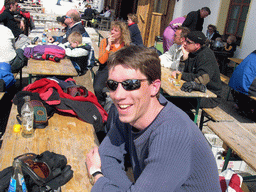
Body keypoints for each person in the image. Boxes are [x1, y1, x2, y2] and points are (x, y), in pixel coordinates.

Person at [86, 45, 221, 191]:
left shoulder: (172, 133)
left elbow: (100, 165)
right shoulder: (130, 113)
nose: (118, 96)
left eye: (131, 84)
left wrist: (97, 176)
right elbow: (106, 156)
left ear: (154, 87)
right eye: (112, 85)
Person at [175, 31, 222, 109]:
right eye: (185, 40)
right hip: (196, 91)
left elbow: (202, 79)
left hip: (209, 95)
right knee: (171, 97)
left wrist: (181, 75)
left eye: (188, 42)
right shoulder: (192, 52)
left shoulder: (206, 56)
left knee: (176, 102)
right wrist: (185, 58)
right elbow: (182, 70)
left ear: (197, 45)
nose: (184, 43)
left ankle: (189, 119)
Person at [93, 21, 131, 107]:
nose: (112, 32)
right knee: (97, 88)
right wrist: (108, 46)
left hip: (120, 70)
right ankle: (102, 105)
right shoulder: (104, 41)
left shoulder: (125, 45)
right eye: (112, 29)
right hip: (106, 68)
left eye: (116, 30)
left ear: (122, 33)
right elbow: (102, 61)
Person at [229, 50, 256, 119]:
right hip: (245, 83)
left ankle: (240, 104)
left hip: (234, 80)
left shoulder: (253, 53)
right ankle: (250, 109)